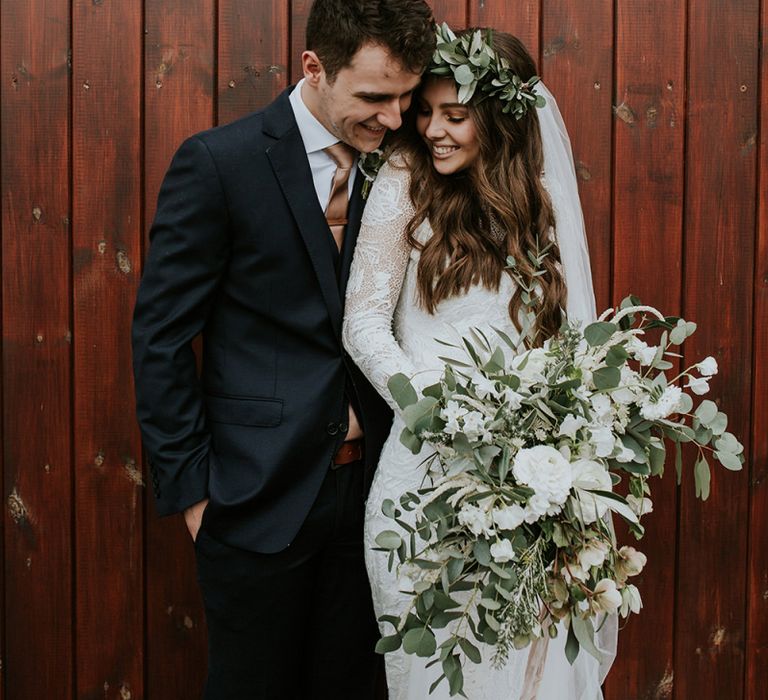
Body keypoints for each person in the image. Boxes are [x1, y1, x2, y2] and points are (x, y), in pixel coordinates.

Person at [131, 1, 434, 697]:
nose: (394, 118)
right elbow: (162, 337)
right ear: (313, 67)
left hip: (375, 501)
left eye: (405, 98)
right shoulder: (219, 163)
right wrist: (195, 496)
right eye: (374, 97)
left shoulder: (403, 166)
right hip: (252, 499)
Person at [343, 27, 616, 699]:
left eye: (454, 116)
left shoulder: (538, 204)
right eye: (427, 112)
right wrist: (432, 406)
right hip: (423, 479)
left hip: (524, 483)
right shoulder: (404, 182)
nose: (433, 129)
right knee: (433, 672)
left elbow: (562, 346)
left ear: (497, 120)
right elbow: (364, 325)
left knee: (521, 670)